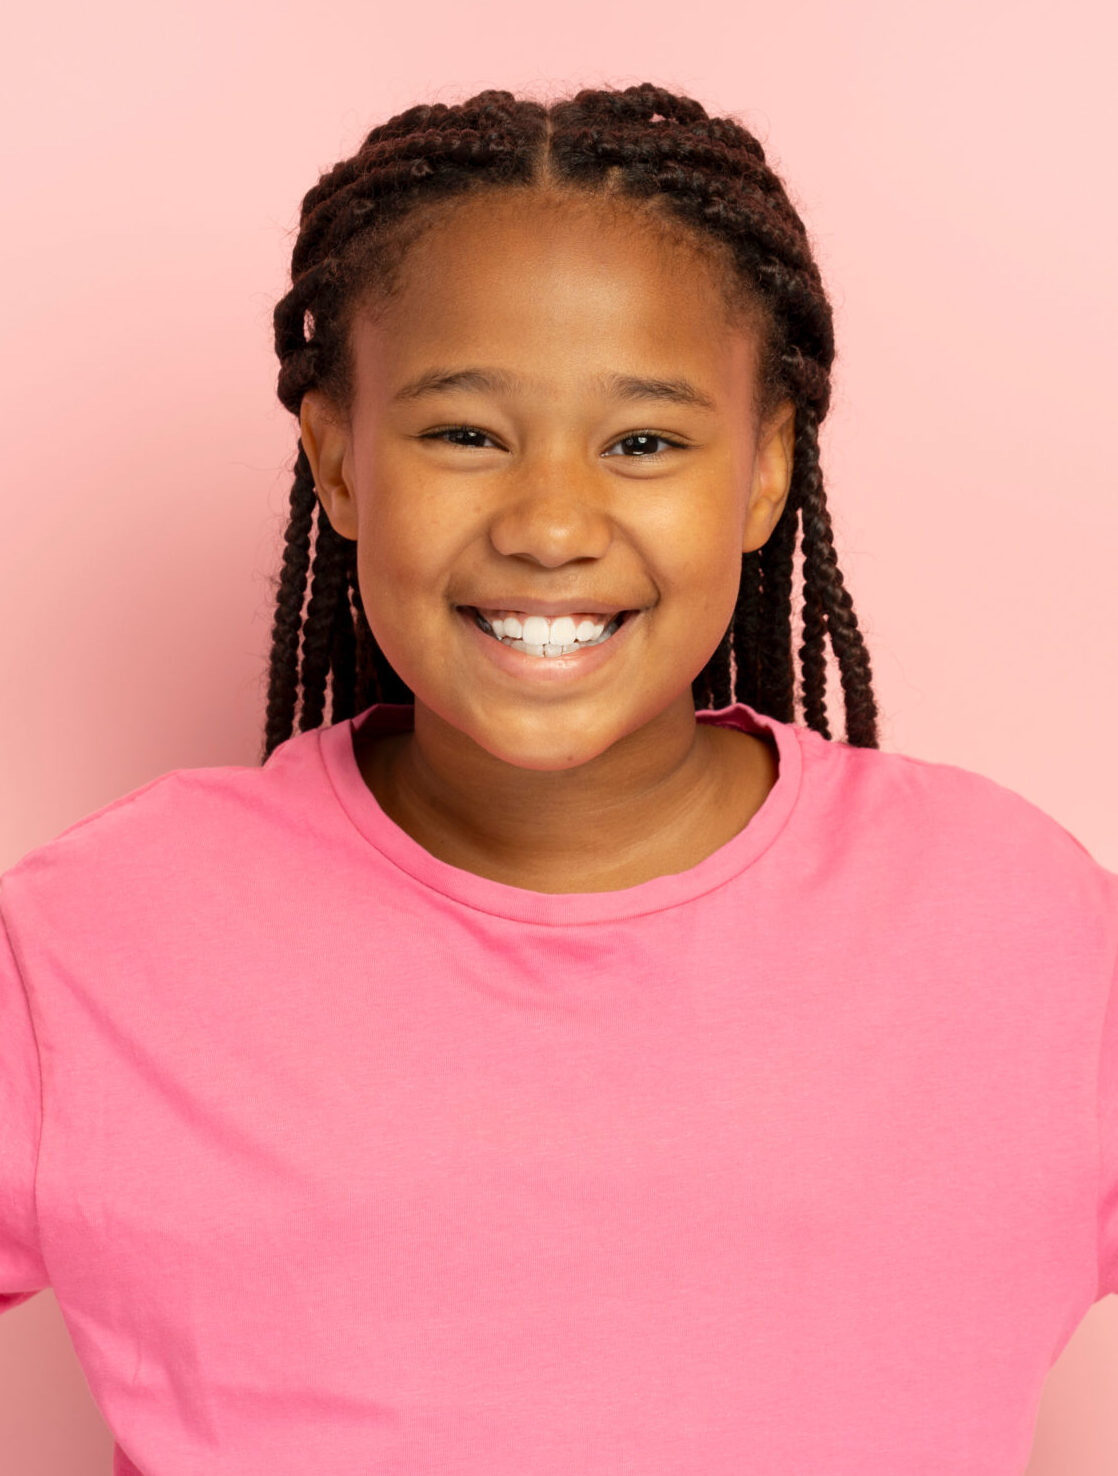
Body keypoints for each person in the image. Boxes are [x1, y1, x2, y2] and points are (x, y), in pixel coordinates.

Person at [0, 82, 1114, 1476]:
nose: (547, 525)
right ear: (338, 459)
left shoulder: (1019, 926)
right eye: (464, 434)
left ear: (764, 472)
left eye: (642, 443)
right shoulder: (90, 945)